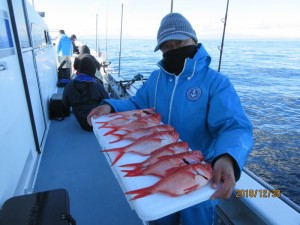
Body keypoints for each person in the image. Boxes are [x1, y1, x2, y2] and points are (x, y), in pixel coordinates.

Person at [87, 13, 253, 225]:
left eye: (179, 42)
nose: (173, 50)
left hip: (200, 175)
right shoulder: (156, 79)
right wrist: (111, 105)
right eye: (166, 46)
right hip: (161, 170)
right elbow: (138, 105)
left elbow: (235, 127)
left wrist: (228, 157)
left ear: (194, 39)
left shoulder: (216, 83)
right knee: (162, 219)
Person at [63, 56, 110, 131]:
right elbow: (109, 102)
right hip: (97, 123)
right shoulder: (98, 85)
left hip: (81, 122)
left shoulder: (69, 86)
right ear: (93, 70)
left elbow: (66, 104)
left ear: (80, 69)